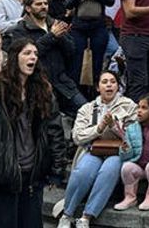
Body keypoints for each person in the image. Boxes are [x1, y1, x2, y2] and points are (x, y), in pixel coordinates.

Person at [0, 38, 67, 228]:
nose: (33, 57)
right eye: (27, 53)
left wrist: (57, 169)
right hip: (0, 178)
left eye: (35, 53)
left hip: (31, 178)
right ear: (14, 57)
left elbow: (55, 132)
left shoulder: (43, 91)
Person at [56, 71, 138, 228]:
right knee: (83, 171)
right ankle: (67, 214)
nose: (109, 85)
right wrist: (99, 128)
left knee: (109, 170)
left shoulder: (129, 106)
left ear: (118, 86)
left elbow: (134, 136)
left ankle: (86, 216)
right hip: (93, 149)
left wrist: (114, 127)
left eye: (113, 82)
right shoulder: (87, 108)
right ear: (97, 87)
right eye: (105, 82)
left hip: (118, 151)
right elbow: (77, 136)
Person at [5, 0, 87, 117]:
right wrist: (52, 36)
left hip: (63, 82)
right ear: (28, 8)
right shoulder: (20, 29)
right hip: (38, 84)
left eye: (45, 3)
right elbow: (27, 54)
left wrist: (61, 36)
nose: (43, 7)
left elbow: (71, 51)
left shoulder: (55, 24)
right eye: (38, 4)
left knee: (86, 111)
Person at [65, 0, 115, 90]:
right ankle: (77, 89)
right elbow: (68, 4)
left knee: (97, 61)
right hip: (79, 28)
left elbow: (110, 1)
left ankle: (95, 89)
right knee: (77, 60)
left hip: (98, 28)